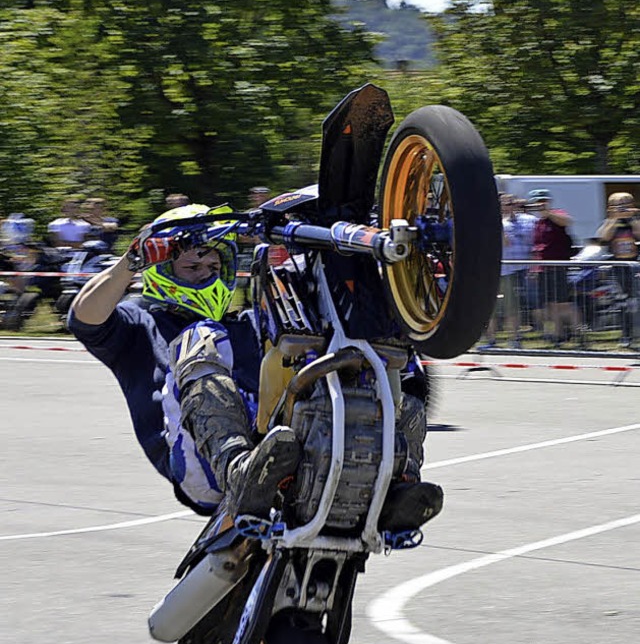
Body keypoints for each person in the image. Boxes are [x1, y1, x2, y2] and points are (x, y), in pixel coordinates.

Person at [68, 202, 439, 526]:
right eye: (192, 266)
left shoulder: (245, 326)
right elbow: (84, 318)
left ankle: (397, 481)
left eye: (213, 264)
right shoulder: (139, 324)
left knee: (377, 351)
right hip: (206, 469)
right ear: (163, 270)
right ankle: (238, 468)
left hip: (283, 454)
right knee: (201, 336)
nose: (206, 273)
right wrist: (131, 261)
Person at [482, 194, 536, 349]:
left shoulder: (521, 221)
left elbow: (506, 242)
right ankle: (491, 340)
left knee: (511, 308)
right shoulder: (493, 222)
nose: (508, 206)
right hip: (492, 271)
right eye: (504, 204)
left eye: (511, 203)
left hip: (509, 271)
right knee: (489, 308)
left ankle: (514, 339)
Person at [528, 189, 580, 344]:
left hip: (558, 266)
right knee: (550, 305)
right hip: (543, 268)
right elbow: (537, 247)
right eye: (537, 202)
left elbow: (567, 221)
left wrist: (548, 212)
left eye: (543, 201)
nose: (540, 204)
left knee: (564, 303)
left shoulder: (557, 214)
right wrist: (534, 268)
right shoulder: (538, 223)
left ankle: (579, 332)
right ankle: (559, 335)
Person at [596, 192, 640, 348]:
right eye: (618, 205)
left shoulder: (634, 220)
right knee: (623, 303)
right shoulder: (609, 222)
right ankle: (626, 335)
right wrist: (614, 218)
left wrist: (632, 217)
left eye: (626, 204)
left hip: (634, 264)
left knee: (636, 302)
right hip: (618, 268)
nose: (622, 208)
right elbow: (603, 237)